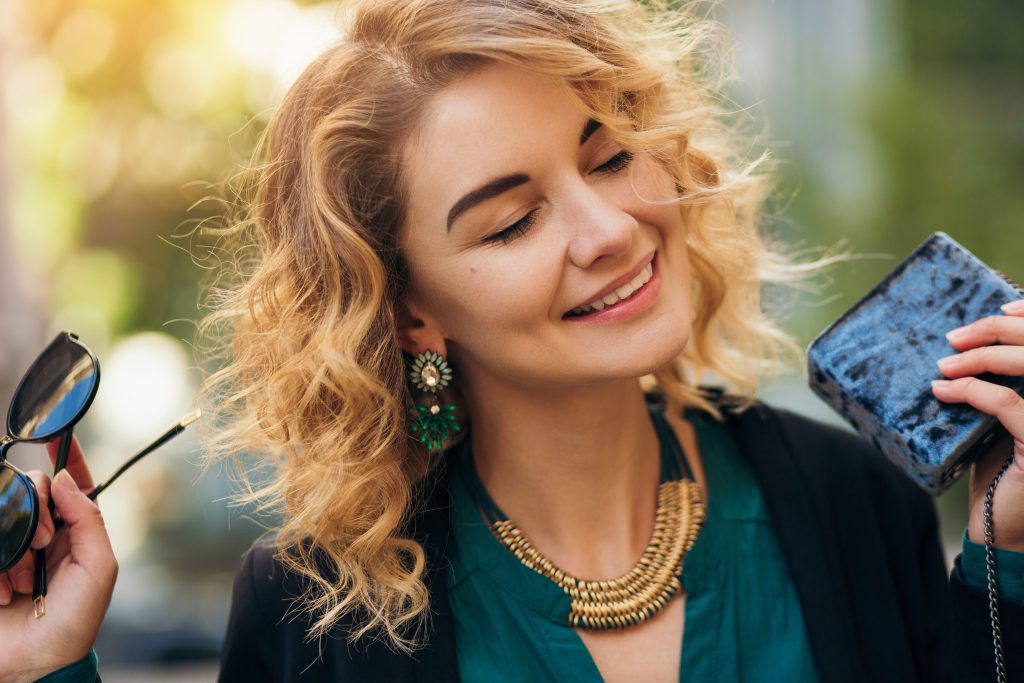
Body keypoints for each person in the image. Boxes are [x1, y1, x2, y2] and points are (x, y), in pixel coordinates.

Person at [5, 0, 1024, 681]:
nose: (609, 229)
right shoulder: (315, 616)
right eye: (510, 220)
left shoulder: (857, 501)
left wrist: (1011, 560)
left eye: (610, 155)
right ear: (407, 309)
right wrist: (51, 661)